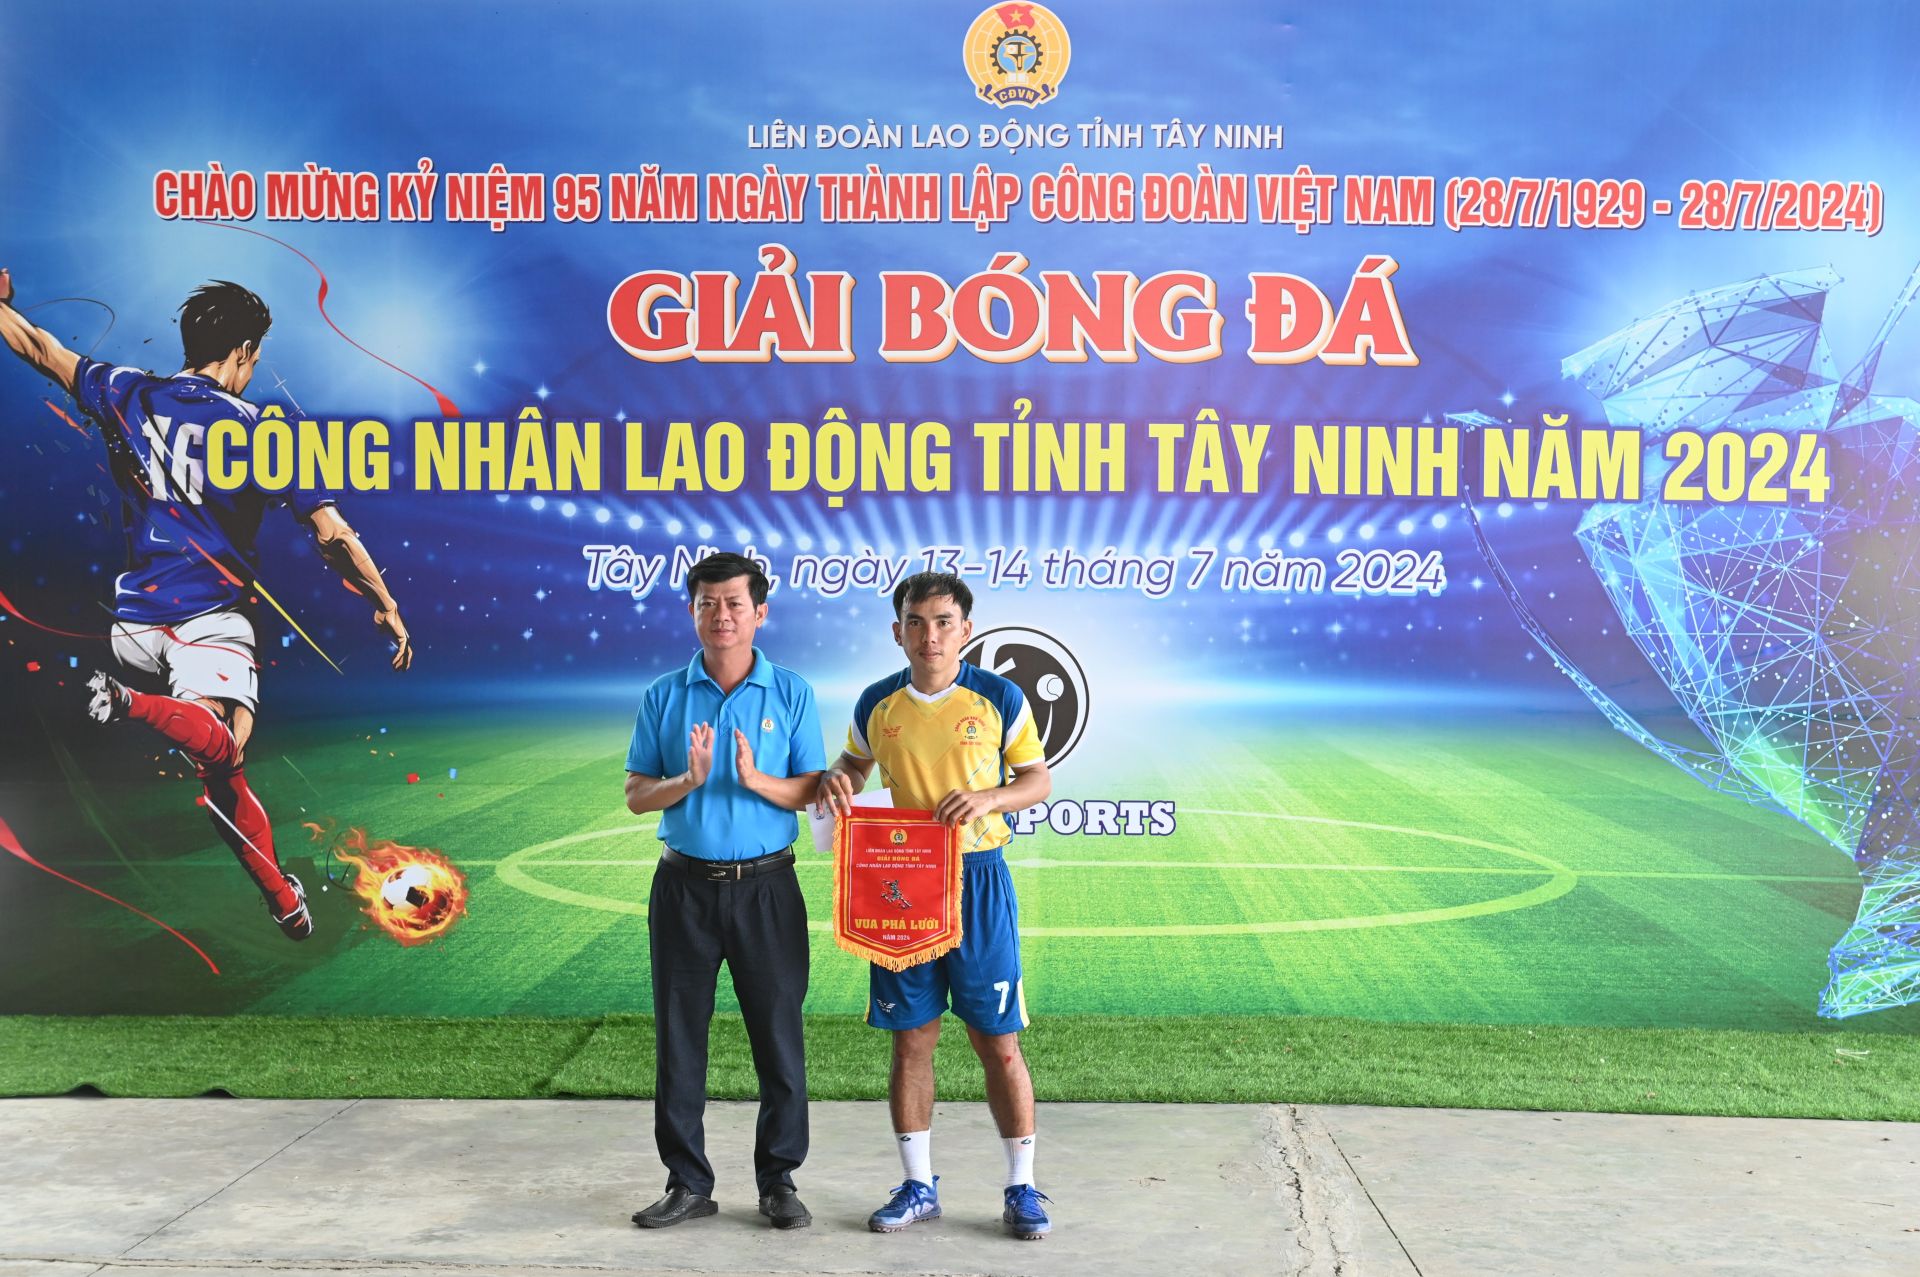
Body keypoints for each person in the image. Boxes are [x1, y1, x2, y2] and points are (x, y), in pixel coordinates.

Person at [0, 269, 412, 940]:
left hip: (133, 622)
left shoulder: (127, 390)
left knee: (221, 770)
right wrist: (385, 603)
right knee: (225, 745)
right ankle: (132, 704)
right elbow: (333, 534)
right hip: (207, 620)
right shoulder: (260, 430)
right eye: (256, 356)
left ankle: (284, 899)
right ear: (244, 351)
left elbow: (41, 349)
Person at [816, 571, 1056, 1241]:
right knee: (912, 1038)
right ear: (898, 631)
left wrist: (989, 798)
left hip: (977, 880)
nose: (930, 635)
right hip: (902, 882)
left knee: (997, 1042)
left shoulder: (999, 696)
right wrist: (840, 777)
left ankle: (1022, 1187)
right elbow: (854, 765)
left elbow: (1037, 779)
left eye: (944, 621)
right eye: (917, 622)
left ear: (965, 629)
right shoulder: (878, 702)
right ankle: (919, 1186)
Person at [624, 551, 825, 1231]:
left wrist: (753, 778)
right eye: (707, 603)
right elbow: (636, 795)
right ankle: (687, 1182)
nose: (721, 615)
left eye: (735, 603)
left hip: (768, 887)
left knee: (778, 1035)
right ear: (692, 611)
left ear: (759, 612)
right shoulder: (664, 695)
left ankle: (779, 1181)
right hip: (683, 888)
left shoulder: (791, 691)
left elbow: (812, 788)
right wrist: (688, 778)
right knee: (680, 1038)